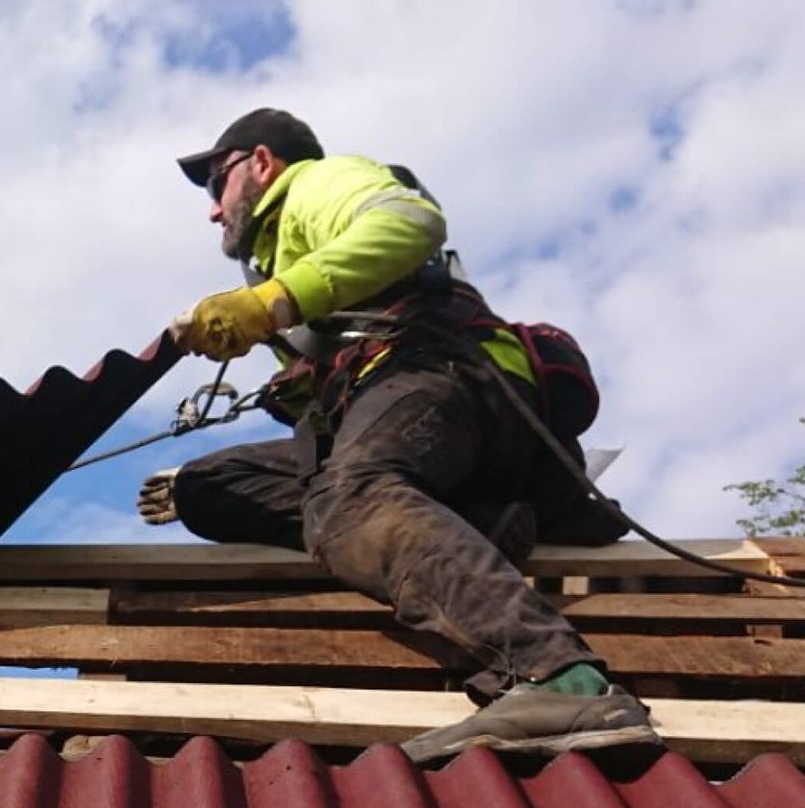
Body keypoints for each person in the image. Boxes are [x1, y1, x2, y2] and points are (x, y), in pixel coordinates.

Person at [154, 108, 660, 762]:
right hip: (418, 413)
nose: (212, 210)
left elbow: (410, 222)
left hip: (449, 375)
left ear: (261, 163)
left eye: (215, 183)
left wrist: (269, 303)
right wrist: (302, 387)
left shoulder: (315, 185)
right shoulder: (283, 256)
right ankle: (481, 525)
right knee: (210, 487)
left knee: (350, 499)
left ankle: (559, 679)